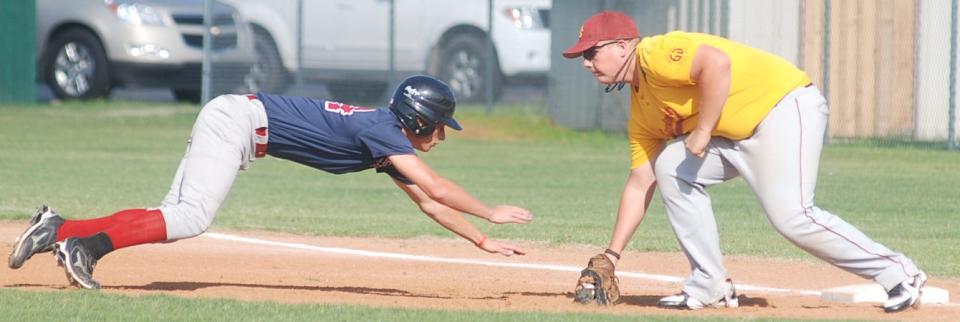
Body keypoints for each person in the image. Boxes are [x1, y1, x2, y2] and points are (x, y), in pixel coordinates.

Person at [8, 75, 533, 289]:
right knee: (191, 216)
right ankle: (86, 248)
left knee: (175, 209)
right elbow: (439, 187)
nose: (443, 135)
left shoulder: (384, 139)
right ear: (418, 120)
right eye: (441, 125)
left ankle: (58, 229)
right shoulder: (383, 131)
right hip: (238, 121)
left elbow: (429, 204)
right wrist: (491, 211)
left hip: (236, 117)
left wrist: (483, 240)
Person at [562, 11, 925, 313]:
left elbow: (716, 64)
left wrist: (703, 130)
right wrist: (612, 254)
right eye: (583, 57)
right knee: (670, 166)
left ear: (623, 46)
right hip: (739, 135)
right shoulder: (642, 112)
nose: (587, 63)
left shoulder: (654, 53)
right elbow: (641, 182)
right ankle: (710, 284)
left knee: (793, 217)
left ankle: (899, 273)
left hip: (783, 106)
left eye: (592, 53)